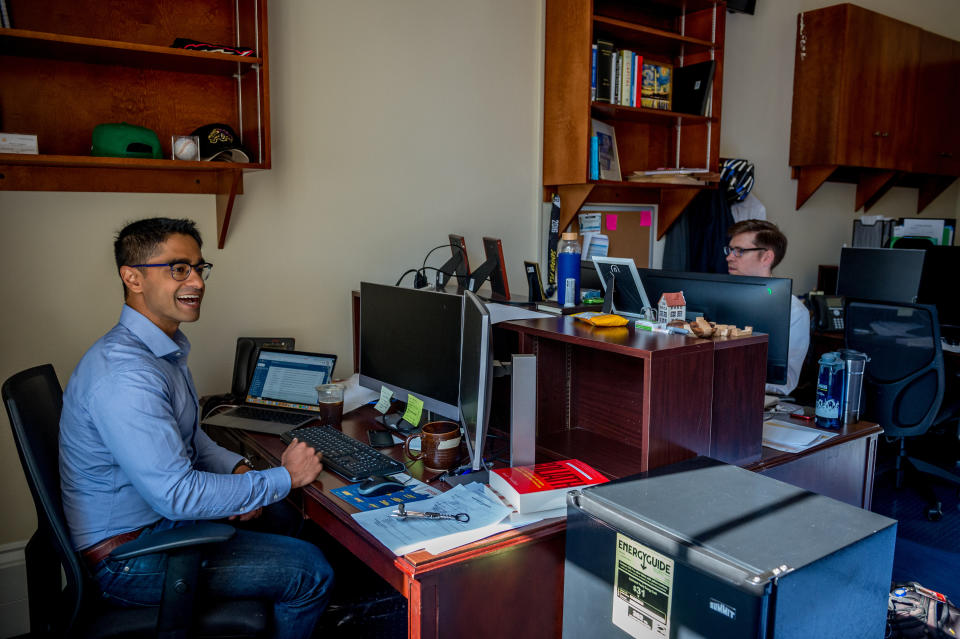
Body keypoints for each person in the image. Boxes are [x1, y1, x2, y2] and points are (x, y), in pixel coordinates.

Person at [59, 218, 333, 639]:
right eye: (178, 268)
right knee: (310, 571)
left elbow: (191, 438)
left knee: (282, 514)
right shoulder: (126, 375)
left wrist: (241, 471)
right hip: (131, 556)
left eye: (199, 268)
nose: (197, 281)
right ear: (132, 277)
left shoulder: (161, 351)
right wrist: (283, 476)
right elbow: (177, 495)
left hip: (155, 525)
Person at [724, 219, 810, 396]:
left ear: (766, 257)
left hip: (755, 400)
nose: (729, 257)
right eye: (730, 250)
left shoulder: (793, 311)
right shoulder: (721, 297)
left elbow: (785, 383)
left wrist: (733, 380)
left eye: (739, 251)